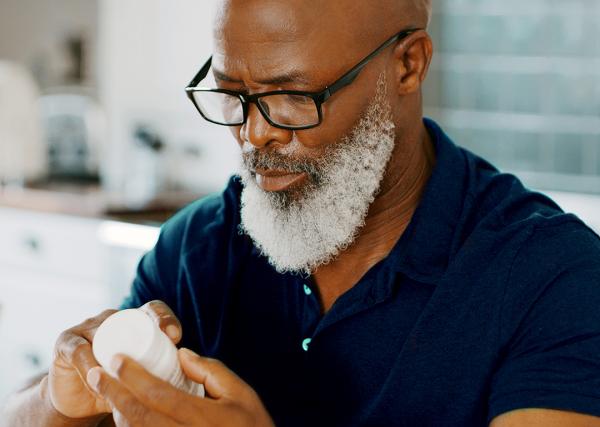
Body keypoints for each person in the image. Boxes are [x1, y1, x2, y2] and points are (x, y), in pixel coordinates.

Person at [3, 0, 600, 426]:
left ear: (409, 65)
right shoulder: (196, 250)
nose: (253, 135)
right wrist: (57, 402)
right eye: (232, 94)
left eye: (292, 97)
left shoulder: (554, 278)